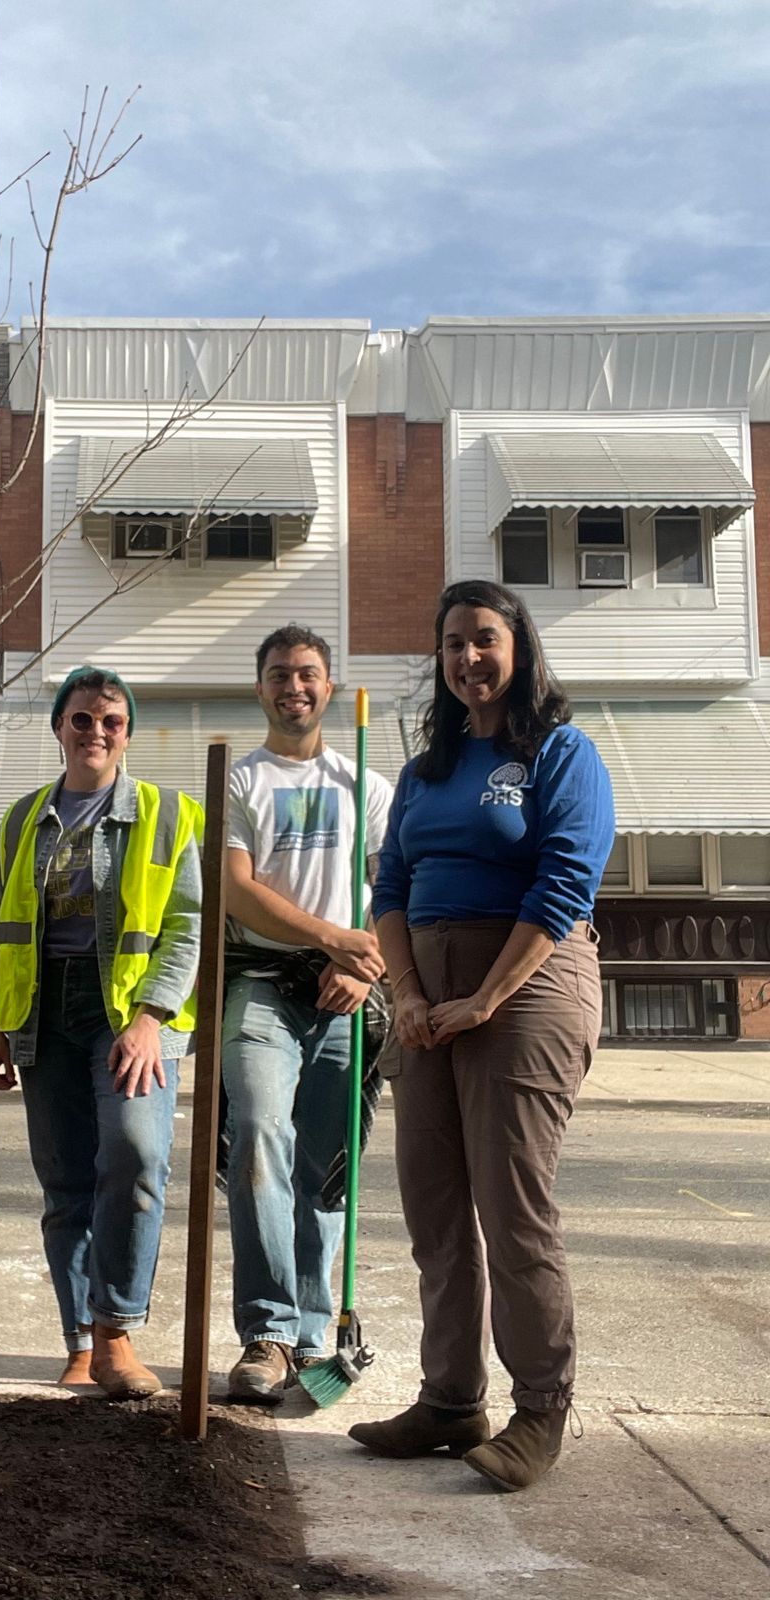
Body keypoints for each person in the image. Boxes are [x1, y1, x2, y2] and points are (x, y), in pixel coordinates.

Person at [349, 578, 614, 1492]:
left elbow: (564, 882)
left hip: (530, 987)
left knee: (510, 1207)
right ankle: (450, 1399)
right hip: (428, 995)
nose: (468, 658)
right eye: (453, 642)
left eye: (485, 640)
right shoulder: (426, 772)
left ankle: (539, 1411)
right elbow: (389, 892)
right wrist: (412, 995)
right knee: (433, 1208)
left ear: (520, 648)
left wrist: (487, 998)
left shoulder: (562, 754)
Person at [0, 666, 202, 1399]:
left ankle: (117, 1329)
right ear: (59, 728)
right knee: (66, 1184)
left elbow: (187, 926)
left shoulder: (166, 813)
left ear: (128, 734)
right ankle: (78, 1338)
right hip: (46, 1014)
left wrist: (150, 1019)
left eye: (111, 721)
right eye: (81, 719)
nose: (95, 733)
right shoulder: (19, 820)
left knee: (137, 1160)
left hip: (129, 1018)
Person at [222, 624, 393, 1404]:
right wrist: (331, 939)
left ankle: (310, 1333)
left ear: (329, 687)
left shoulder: (367, 786)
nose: (295, 685)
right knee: (258, 1131)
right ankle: (265, 1331)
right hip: (264, 981)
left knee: (325, 1168)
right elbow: (236, 889)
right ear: (260, 687)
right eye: (280, 674)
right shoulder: (240, 781)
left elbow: (395, 900)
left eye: (309, 673)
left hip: (346, 995)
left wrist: (365, 969)